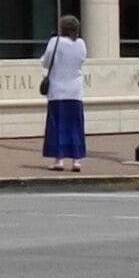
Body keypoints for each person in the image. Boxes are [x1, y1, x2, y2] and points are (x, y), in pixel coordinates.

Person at [42, 14, 89, 171]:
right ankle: (76, 160)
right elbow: (81, 60)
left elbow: (45, 62)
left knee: (58, 125)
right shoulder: (81, 43)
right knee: (75, 125)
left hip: (57, 90)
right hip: (75, 91)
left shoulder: (55, 42)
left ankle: (59, 160)